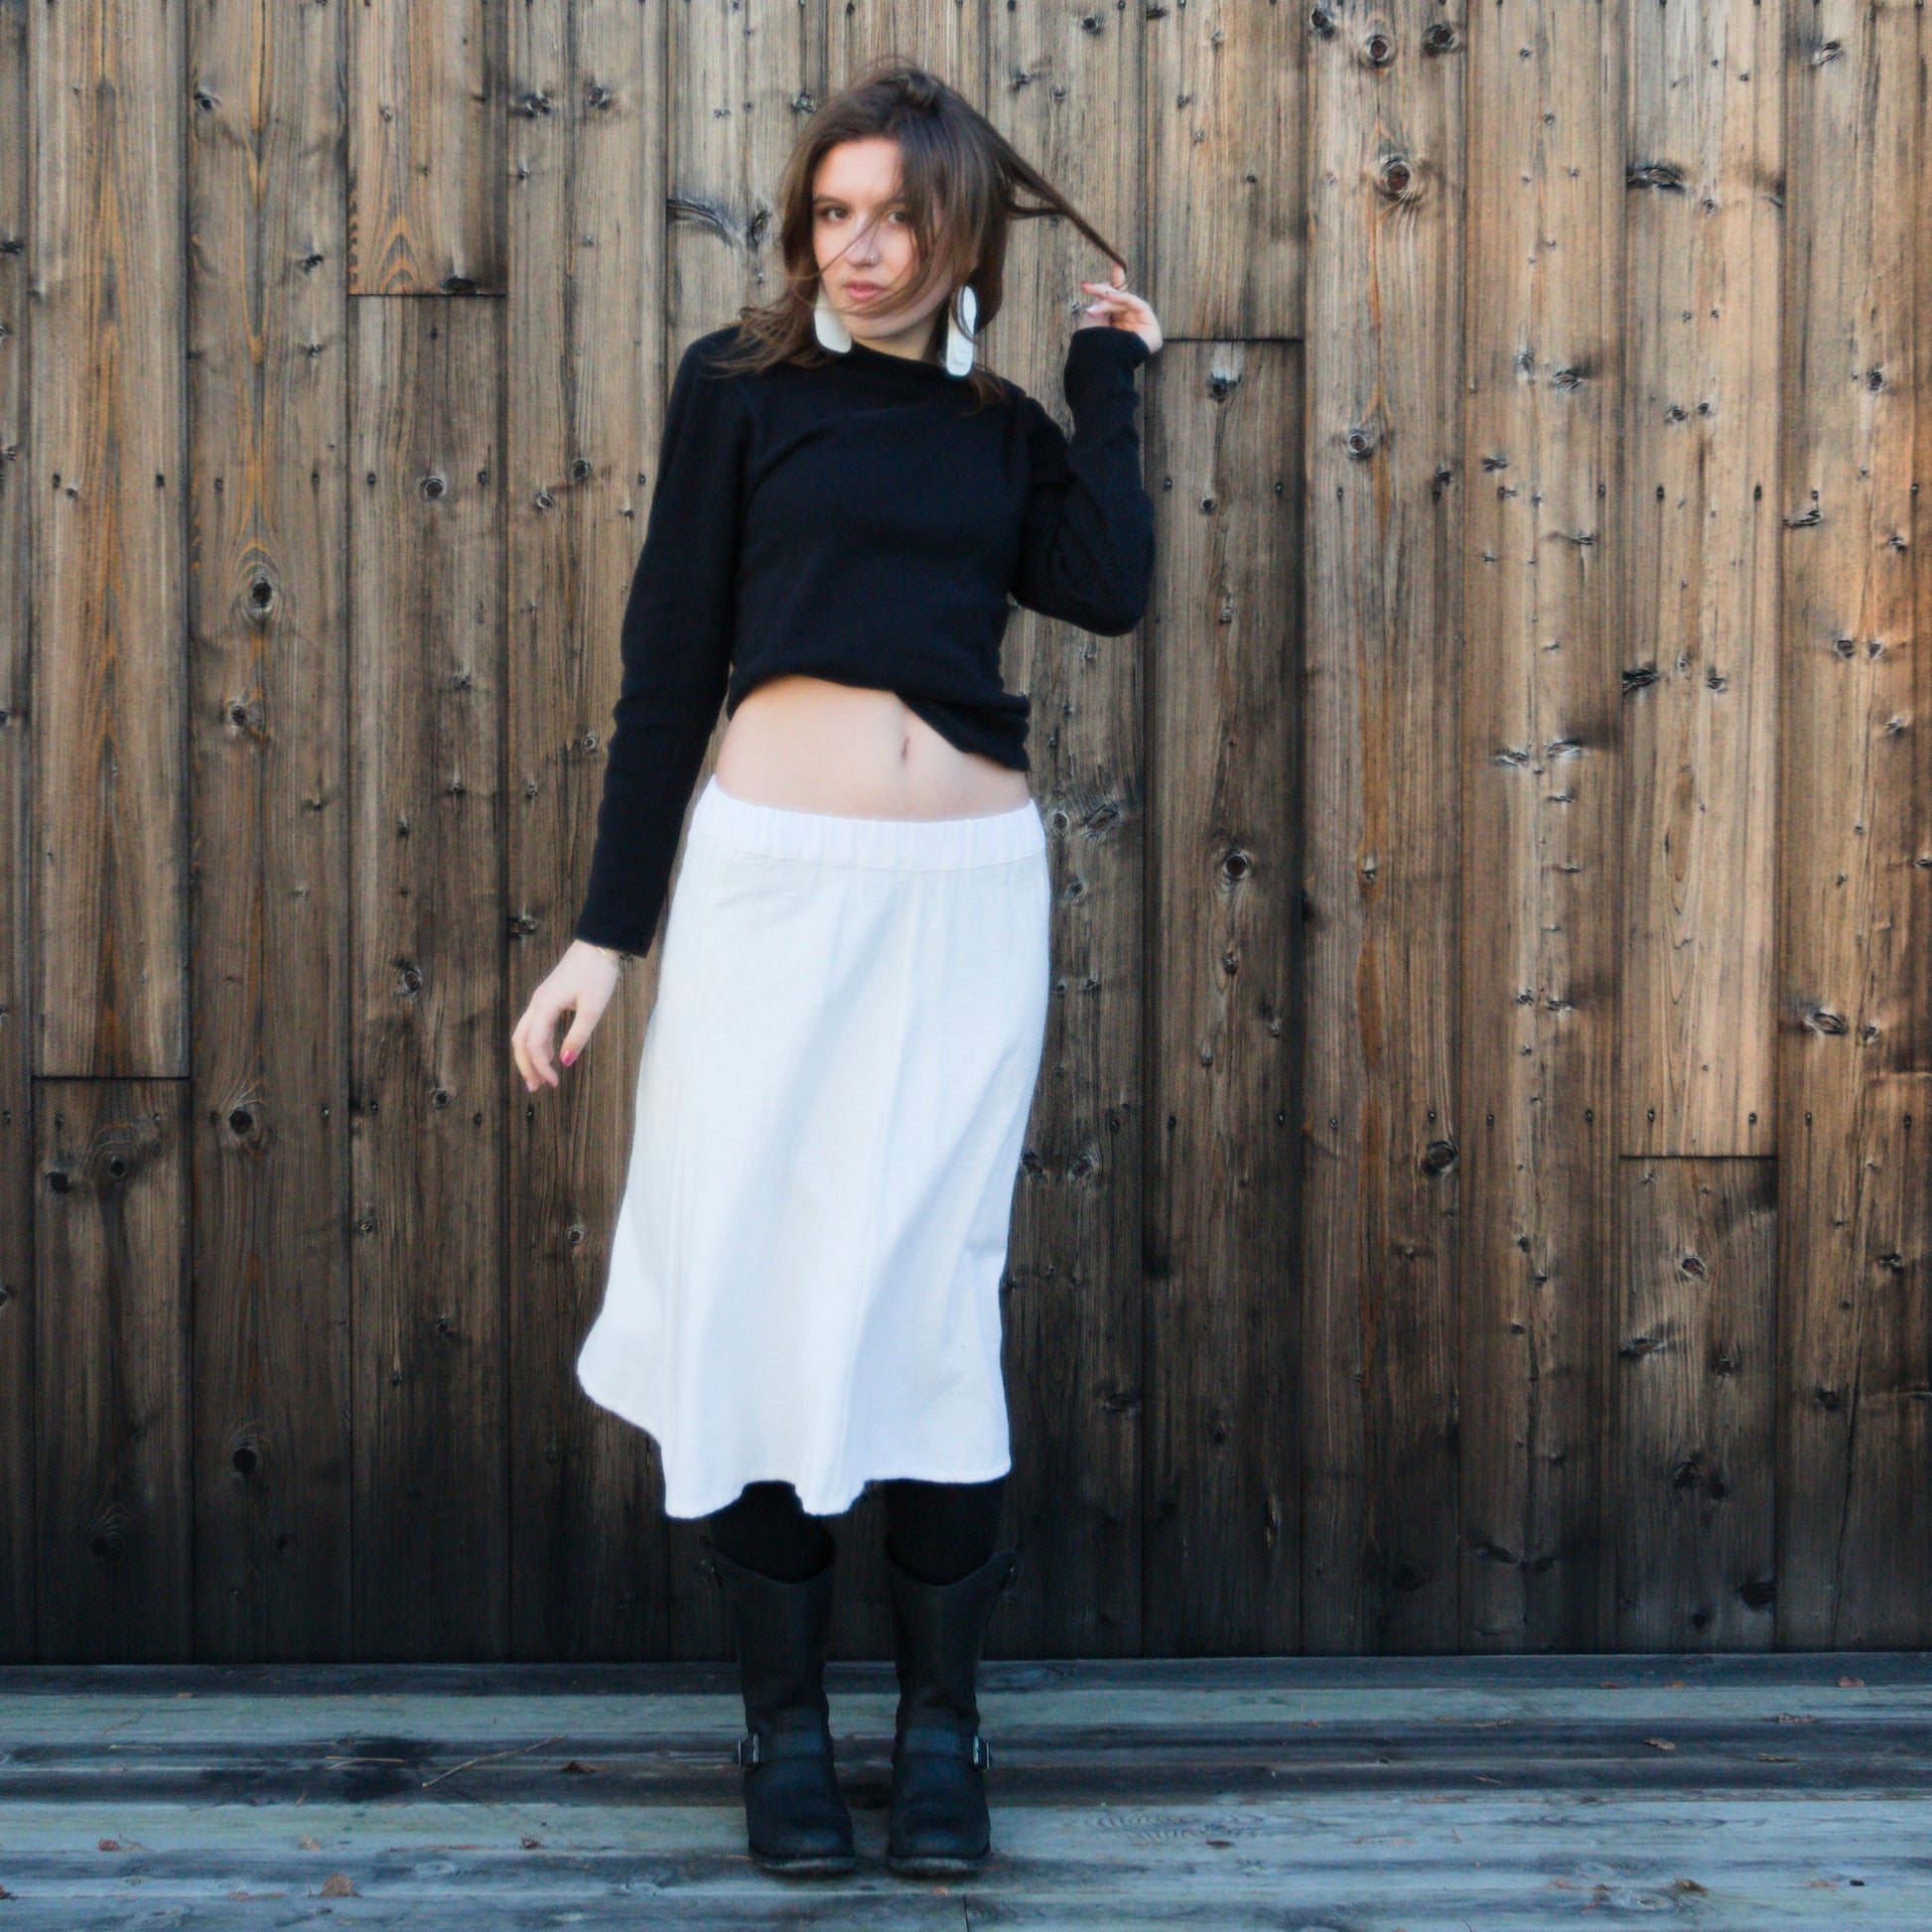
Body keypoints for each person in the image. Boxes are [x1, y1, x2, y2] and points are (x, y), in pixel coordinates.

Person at [509, 62, 1160, 1878]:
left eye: (895, 218)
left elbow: (1105, 584)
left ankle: (941, 1728)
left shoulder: (1002, 427)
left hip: (962, 902)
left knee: (932, 1292)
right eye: (832, 215)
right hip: (769, 897)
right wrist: (605, 937)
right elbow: (669, 666)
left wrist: (1108, 382)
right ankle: (782, 1726)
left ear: (960, 233)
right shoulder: (737, 390)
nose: (858, 250)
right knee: (753, 1279)